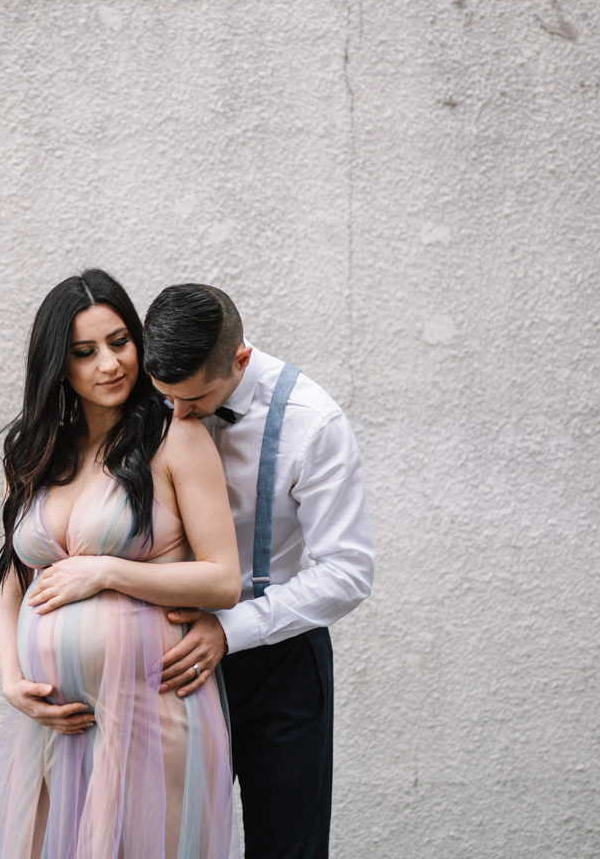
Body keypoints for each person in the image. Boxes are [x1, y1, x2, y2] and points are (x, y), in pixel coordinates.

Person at [0, 269, 240, 859]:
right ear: (57, 364)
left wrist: (108, 571)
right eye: (85, 352)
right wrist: (10, 680)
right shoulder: (32, 454)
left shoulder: (177, 439)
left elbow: (222, 579)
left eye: (120, 342)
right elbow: (13, 587)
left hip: (150, 713)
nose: (110, 364)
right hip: (56, 726)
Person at [142, 283, 374, 859]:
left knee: (285, 846)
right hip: (168, 657)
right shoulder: (150, 405)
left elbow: (347, 571)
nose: (177, 416)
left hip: (280, 661)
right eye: (165, 396)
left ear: (240, 358)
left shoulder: (312, 422)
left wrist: (231, 629)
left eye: (194, 401)